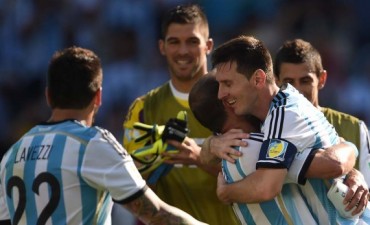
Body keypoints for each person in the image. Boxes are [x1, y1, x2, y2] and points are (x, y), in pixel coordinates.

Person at [0, 46, 207, 225]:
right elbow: (158, 215)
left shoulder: (12, 153)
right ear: (98, 96)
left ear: (48, 96)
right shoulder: (91, 143)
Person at [210, 35, 369, 224]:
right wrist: (212, 144)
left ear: (259, 79)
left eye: (228, 83)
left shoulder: (283, 115)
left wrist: (226, 192)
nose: (221, 94)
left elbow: (267, 187)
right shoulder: (279, 107)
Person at [122, 4, 239, 225]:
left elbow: (257, 175)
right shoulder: (143, 110)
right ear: (162, 47)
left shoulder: (235, 101)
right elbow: (130, 191)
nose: (183, 51)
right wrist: (148, 165)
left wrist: (198, 156)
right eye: (174, 42)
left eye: (192, 41)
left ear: (208, 45)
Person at [273, 38, 370, 187]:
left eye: (305, 81)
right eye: (289, 82)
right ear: (277, 82)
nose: (296, 90)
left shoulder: (355, 128)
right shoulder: (268, 130)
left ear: (322, 79)